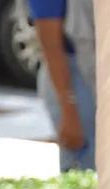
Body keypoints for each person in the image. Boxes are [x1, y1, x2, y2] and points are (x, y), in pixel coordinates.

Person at [29, 0, 96, 171]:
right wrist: (69, 110)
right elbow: (51, 46)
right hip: (72, 80)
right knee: (83, 169)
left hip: (96, 72)